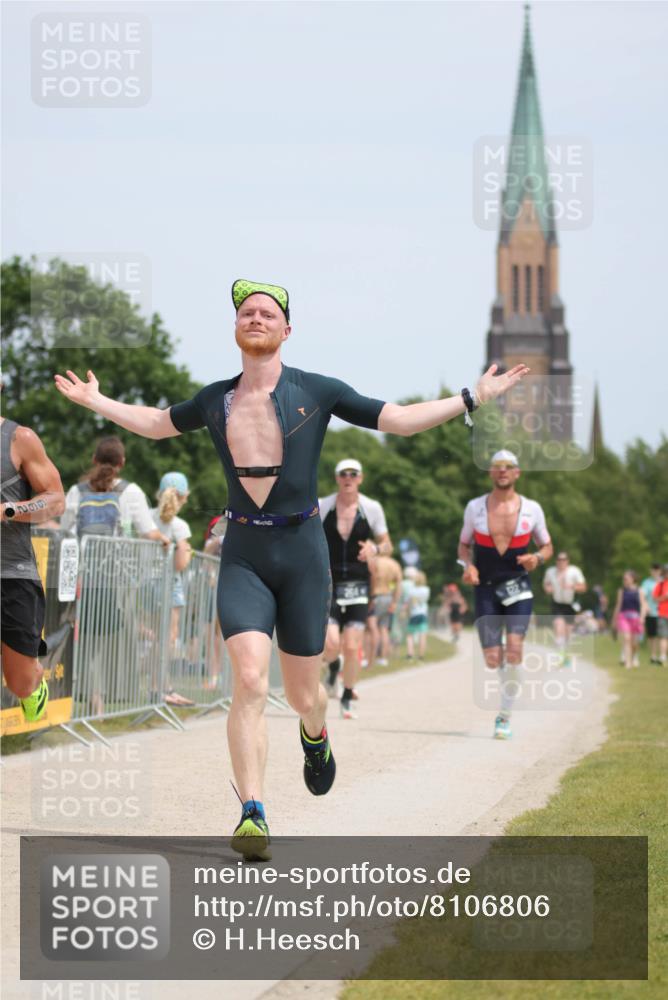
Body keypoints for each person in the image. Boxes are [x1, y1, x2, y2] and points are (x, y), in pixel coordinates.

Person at [55, 277, 528, 859]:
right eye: (246, 312)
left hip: (303, 555)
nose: (255, 318)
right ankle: (252, 811)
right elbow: (156, 423)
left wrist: (472, 398)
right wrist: (96, 401)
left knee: (306, 695)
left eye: (267, 313)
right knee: (250, 681)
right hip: (245, 555)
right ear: (236, 329)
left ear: (286, 330)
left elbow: (399, 419)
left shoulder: (318, 390)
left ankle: (316, 734)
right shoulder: (214, 399)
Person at [458, 449, 553, 740]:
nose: (502, 471)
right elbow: (463, 546)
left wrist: (537, 558)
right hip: (485, 587)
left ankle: (504, 716)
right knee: (492, 657)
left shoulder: (532, 509)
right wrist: (468, 566)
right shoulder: (474, 507)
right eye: (497, 466)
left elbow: (547, 547)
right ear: (490, 472)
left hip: (517, 586)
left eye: (508, 466)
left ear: (517, 473)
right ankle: (510, 684)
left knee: (513, 648)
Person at [1, 415, 65, 721]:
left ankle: (33, 684)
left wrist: (10, 510)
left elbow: (55, 501)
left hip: (12, 573)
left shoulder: (19, 439)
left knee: (20, 681)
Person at [320, 458, 392, 718]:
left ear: (360, 478)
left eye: (353, 474)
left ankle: (348, 695)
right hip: (328, 584)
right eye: (343, 474)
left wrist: (375, 548)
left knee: (352, 646)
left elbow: (388, 545)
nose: (348, 478)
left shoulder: (371, 508)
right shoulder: (322, 506)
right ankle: (332, 669)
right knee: (330, 644)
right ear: (337, 478)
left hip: (359, 585)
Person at [61, 436, 169, 545]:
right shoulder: (131, 491)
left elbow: (65, 529)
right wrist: (163, 538)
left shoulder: (76, 491)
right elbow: (148, 532)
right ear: (122, 462)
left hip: (82, 559)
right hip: (116, 559)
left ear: (94, 459)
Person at [151, 472, 195, 706]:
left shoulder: (148, 518)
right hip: (170, 584)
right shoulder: (180, 526)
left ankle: (157, 686)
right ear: (184, 497)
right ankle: (162, 687)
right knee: (168, 639)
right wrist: (186, 552)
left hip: (147, 583)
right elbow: (181, 564)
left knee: (156, 638)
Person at [542, 551, 587, 667]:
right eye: (559, 560)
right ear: (556, 561)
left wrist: (572, 586)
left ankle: (566, 656)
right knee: (558, 627)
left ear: (568, 561)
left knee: (568, 633)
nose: (561, 562)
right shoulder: (550, 571)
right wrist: (548, 589)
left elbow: (583, 587)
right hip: (557, 604)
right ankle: (559, 656)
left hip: (570, 605)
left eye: (564, 560)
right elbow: (546, 584)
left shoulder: (574, 571)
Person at [366, 553, 403, 668]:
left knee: (371, 629)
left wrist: (370, 598)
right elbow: (398, 585)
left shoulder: (375, 561)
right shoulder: (395, 564)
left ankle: (369, 659)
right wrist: (394, 602)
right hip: (388, 597)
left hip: (376, 596)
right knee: (384, 629)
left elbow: (370, 579)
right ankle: (383, 658)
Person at [612, 570, 647, 669]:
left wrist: (642, 617)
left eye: (626, 579)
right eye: (623, 579)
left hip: (636, 618)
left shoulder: (639, 590)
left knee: (635, 643)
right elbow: (618, 605)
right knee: (627, 639)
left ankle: (634, 656)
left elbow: (643, 605)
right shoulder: (621, 591)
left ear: (633, 579)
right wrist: (614, 619)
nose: (624, 581)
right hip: (624, 617)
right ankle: (628, 663)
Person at [405, 569, 431, 661]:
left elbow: (407, 603)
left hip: (413, 614)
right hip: (422, 613)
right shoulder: (426, 589)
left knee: (409, 635)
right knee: (422, 635)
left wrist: (405, 612)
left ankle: (410, 654)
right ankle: (421, 656)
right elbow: (425, 600)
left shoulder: (411, 590)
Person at [641, 564, 662, 664]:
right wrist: (645, 606)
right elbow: (642, 595)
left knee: (661, 635)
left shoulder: (663, 581)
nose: (655, 572)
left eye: (657, 570)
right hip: (651, 612)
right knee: (651, 635)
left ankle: (661, 655)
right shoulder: (647, 583)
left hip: (662, 612)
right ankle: (653, 656)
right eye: (653, 570)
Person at [652, 566, 668, 666]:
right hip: (663, 613)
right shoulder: (661, 585)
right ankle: (662, 656)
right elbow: (655, 598)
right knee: (663, 636)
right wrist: (664, 597)